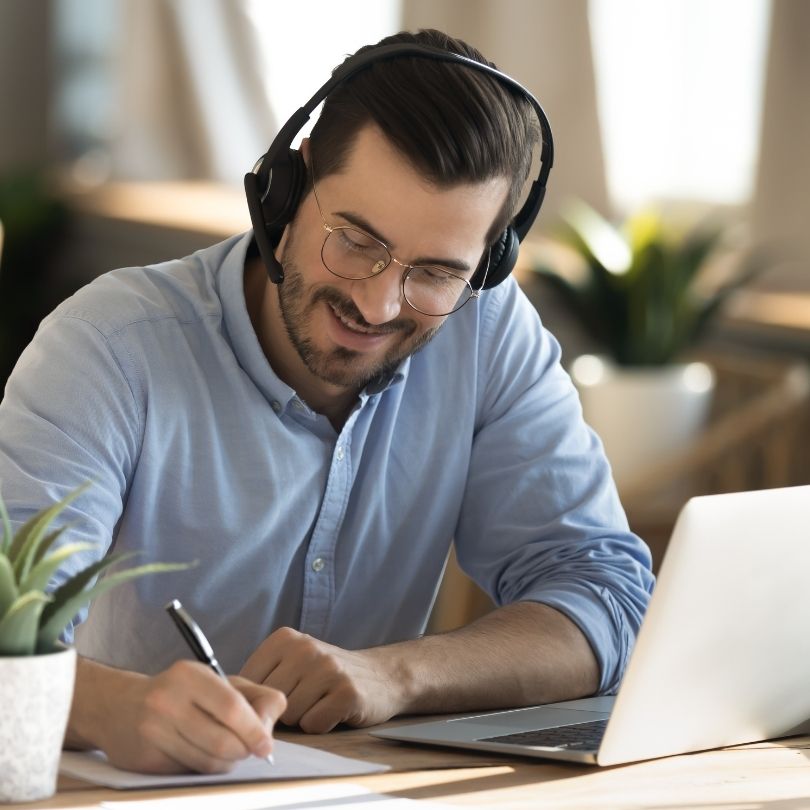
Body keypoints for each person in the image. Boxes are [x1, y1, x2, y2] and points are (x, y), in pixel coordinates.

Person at [0, 29, 653, 774]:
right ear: (289, 184)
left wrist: (395, 675)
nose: (377, 304)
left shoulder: (487, 333)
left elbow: (604, 594)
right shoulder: (110, 345)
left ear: (488, 263)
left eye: (436, 272)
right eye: (354, 240)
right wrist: (114, 708)